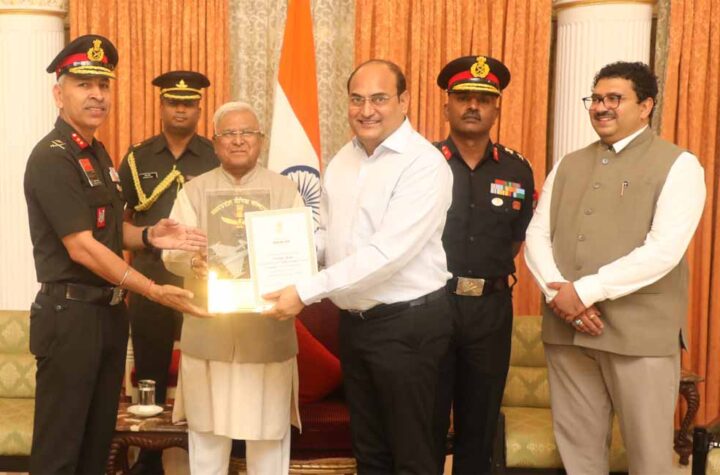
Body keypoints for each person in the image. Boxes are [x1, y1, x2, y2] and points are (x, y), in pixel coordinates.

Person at [24, 34, 209, 475]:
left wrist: (150, 236)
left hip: (107, 315)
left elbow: (108, 232)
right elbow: (82, 247)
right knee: (60, 452)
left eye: (103, 85)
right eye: (84, 84)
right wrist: (153, 289)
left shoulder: (98, 153)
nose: (97, 95)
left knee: (97, 448)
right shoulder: (53, 158)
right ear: (59, 94)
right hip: (70, 316)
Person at [263, 59, 454, 474]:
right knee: (369, 453)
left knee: (413, 457)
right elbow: (327, 237)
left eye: (379, 99)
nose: (366, 110)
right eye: (357, 99)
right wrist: (271, 261)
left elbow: (386, 255)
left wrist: (304, 291)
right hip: (355, 326)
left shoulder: (424, 164)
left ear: (404, 101)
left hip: (407, 329)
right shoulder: (342, 161)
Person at [524, 61, 706, 474]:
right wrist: (559, 296)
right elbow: (536, 235)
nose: (601, 107)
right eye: (595, 98)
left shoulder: (679, 165)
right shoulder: (568, 163)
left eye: (614, 98)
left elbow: (664, 250)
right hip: (568, 332)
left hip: (640, 335)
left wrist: (582, 293)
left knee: (649, 459)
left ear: (645, 106)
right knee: (579, 457)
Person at [162, 101, 304, 474]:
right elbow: (171, 254)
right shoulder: (193, 191)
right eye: (229, 133)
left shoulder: (285, 190)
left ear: (261, 139)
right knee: (207, 442)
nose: (238, 140)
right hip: (209, 333)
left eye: (247, 133)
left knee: (268, 442)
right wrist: (191, 260)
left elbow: (302, 256)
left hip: (267, 334)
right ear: (215, 142)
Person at [432, 55, 535, 474]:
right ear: (447, 106)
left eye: (483, 99)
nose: (473, 106)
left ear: (496, 108)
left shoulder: (517, 168)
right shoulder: (423, 163)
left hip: (490, 310)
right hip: (432, 305)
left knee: (480, 423)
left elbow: (516, 238)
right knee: (426, 418)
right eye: (463, 97)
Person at [118, 70, 218, 474]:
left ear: (199, 109)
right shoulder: (137, 158)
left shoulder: (215, 156)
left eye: (188, 103)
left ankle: (210, 449)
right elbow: (118, 224)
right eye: (174, 102)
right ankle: (149, 456)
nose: (181, 109)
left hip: (204, 279)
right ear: (161, 106)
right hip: (149, 279)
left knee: (208, 364)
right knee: (150, 366)